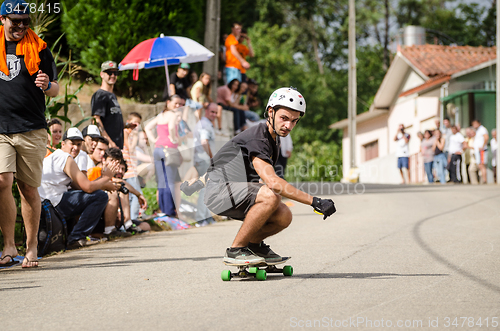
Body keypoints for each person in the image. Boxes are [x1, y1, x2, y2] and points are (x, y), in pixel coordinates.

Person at [182, 87, 336, 264]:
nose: (289, 126)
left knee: (283, 214)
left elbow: (219, 166)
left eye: (294, 121)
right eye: (284, 118)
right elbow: (272, 182)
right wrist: (314, 201)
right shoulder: (258, 139)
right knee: (271, 195)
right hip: (220, 193)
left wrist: (196, 184)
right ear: (271, 112)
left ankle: (254, 245)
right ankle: (236, 250)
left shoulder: (272, 138)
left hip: (229, 192)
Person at [0, 0, 59, 268]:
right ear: (3, 20)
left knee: (27, 189)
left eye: (26, 21)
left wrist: (48, 85)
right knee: (2, 181)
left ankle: (32, 246)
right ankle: (9, 245)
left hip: (32, 128)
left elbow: (56, 88)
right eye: (16, 21)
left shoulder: (40, 48)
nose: (22, 26)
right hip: (1, 128)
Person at [38, 128, 119, 249]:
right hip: (53, 203)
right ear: (63, 144)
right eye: (72, 143)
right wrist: (106, 178)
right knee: (101, 196)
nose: (75, 147)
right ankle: (76, 237)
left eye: (78, 144)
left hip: (46, 203)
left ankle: (74, 235)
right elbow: (88, 188)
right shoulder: (65, 157)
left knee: (92, 194)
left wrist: (103, 183)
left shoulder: (54, 157)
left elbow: (81, 187)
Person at [145, 94, 184, 218]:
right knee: (170, 181)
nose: (178, 106)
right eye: (175, 103)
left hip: (158, 149)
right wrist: (173, 138)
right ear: (168, 102)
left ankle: (163, 209)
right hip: (169, 150)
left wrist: (155, 140)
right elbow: (172, 127)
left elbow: (147, 127)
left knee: (161, 181)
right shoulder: (172, 115)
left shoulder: (160, 115)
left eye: (179, 104)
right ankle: (170, 211)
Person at [192, 103, 218, 225]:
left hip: (200, 158)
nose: (214, 114)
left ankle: (206, 217)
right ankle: (201, 218)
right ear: (206, 111)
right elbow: (204, 141)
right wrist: (212, 157)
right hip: (204, 159)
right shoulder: (205, 124)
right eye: (212, 111)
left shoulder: (202, 123)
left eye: (216, 112)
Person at [91, 61, 124, 149]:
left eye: (115, 73)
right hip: (107, 146)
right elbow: (96, 119)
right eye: (109, 72)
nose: (113, 75)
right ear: (102, 74)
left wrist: (126, 125)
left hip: (117, 145)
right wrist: (109, 141)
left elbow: (111, 119)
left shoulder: (112, 95)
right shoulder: (100, 95)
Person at [122, 112, 144, 221]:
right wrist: (135, 136)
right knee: (137, 195)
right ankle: (133, 219)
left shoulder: (130, 133)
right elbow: (130, 149)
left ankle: (130, 219)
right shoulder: (126, 132)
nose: (137, 125)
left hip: (131, 169)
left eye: (139, 123)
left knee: (131, 196)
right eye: (134, 122)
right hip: (128, 171)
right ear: (128, 122)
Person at [471, 119, 489, 184]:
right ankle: (483, 179)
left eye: (475, 123)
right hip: (478, 151)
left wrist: (482, 146)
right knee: (480, 165)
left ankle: (484, 180)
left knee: (482, 165)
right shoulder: (478, 130)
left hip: (482, 151)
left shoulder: (482, 129)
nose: (474, 125)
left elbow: (486, 137)